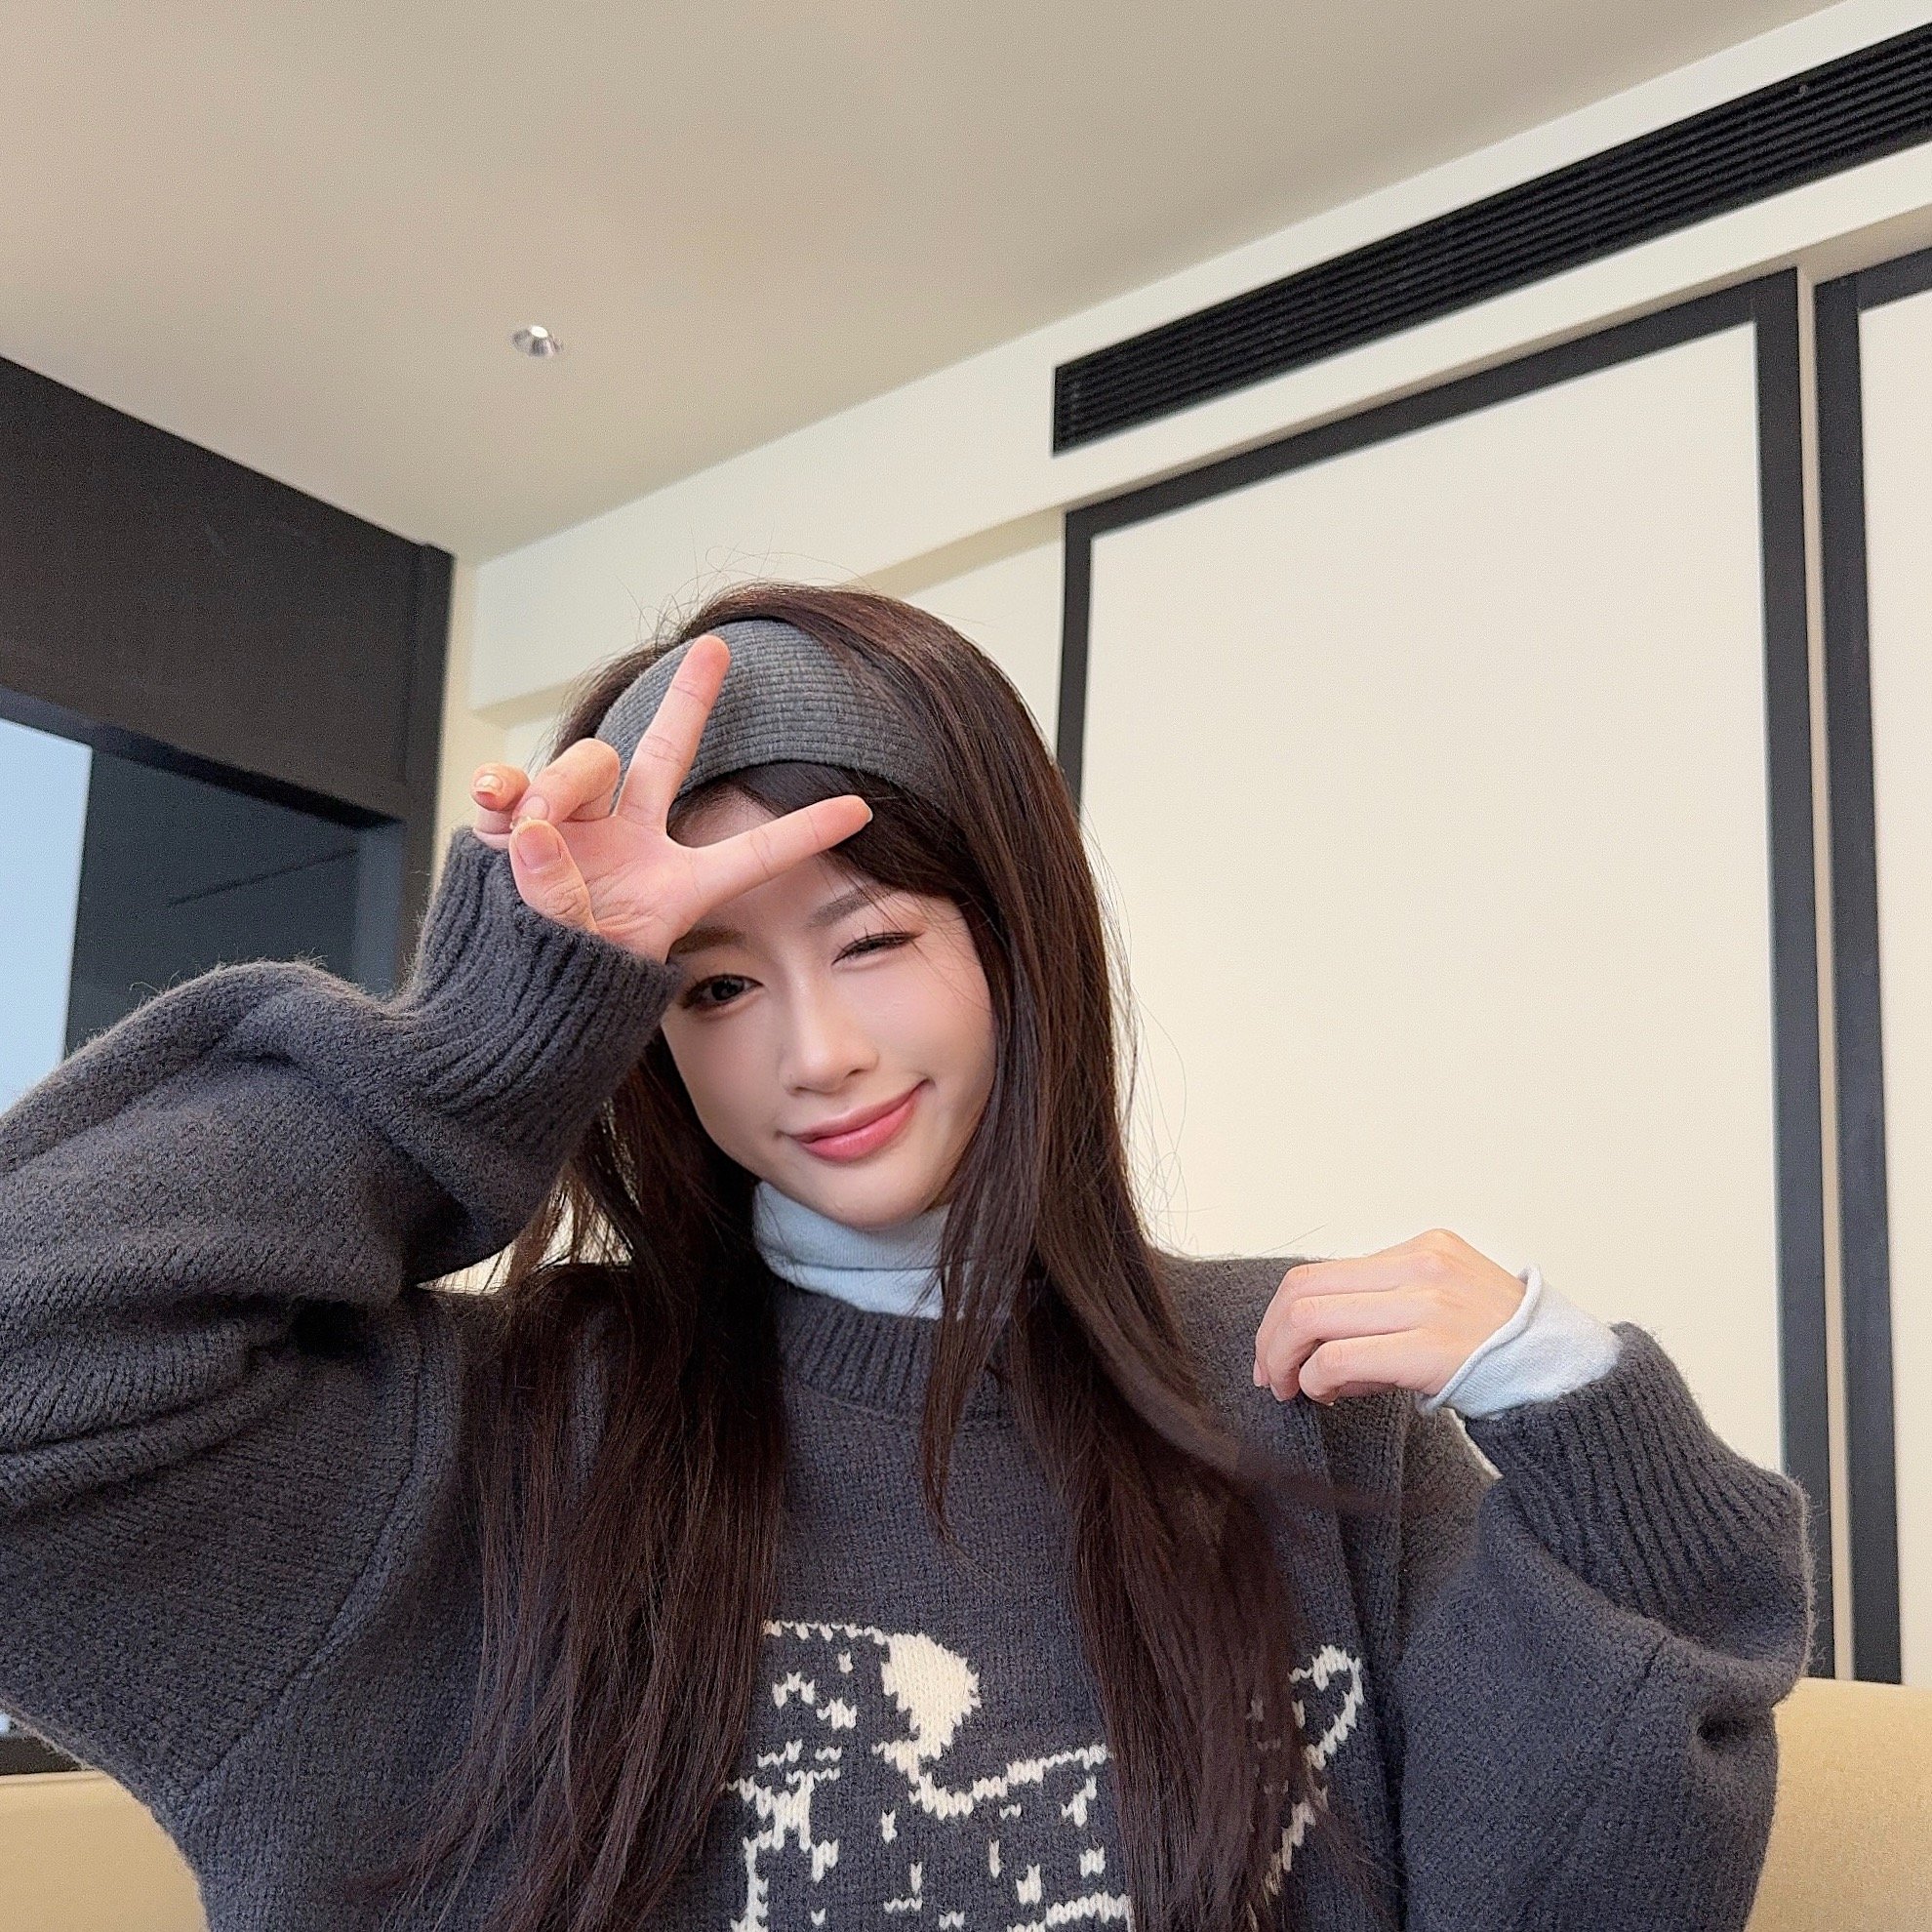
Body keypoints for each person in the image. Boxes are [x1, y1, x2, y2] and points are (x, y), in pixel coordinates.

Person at [0, 583, 1812, 1932]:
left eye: (871, 942)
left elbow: (1596, 1890)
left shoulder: (1305, 1394)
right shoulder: (465, 1440)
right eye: (710, 987)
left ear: (1019, 941)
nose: (816, 1055)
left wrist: (1576, 1410)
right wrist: (472, 1052)